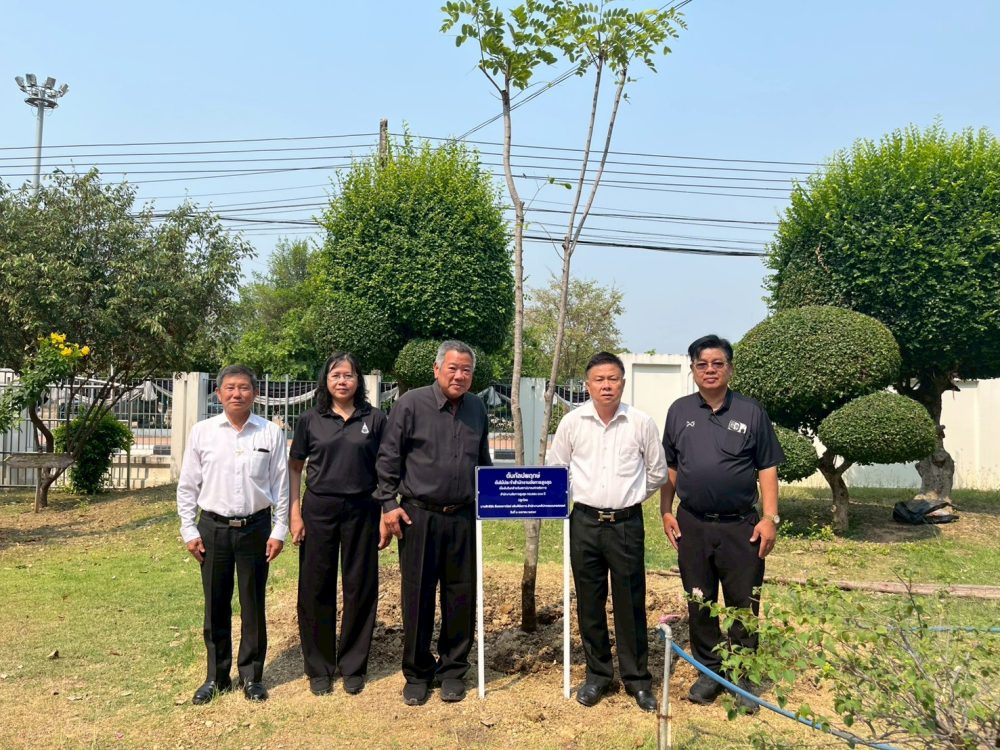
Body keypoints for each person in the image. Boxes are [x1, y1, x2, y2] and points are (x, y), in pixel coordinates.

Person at [659, 335, 784, 713]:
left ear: (730, 368)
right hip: (693, 525)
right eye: (702, 364)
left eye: (717, 363)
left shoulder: (751, 412)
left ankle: (743, 676)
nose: (710, 370)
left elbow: (767, 467)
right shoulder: (679, 411)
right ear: (693, 369)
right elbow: (671, 467)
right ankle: (709, 672)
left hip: (741, 526)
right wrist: (666, 510)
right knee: (699, 600)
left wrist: (770, 518)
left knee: (744, 602)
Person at [547, 351, 668, 712]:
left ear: (623, 383)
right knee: (589, 601)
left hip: (626, 524)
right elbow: (557, 468)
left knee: (630, 601)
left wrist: (630, 497)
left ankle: (637, 680)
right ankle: (598, 675)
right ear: (587, 385)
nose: (606, 386)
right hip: (584, 522)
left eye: (613, 379)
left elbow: (657, 473)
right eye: (599, 380)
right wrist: (582, 499)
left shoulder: (640, 423)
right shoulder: (572, 422)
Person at [376, 340, 491, 706]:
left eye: (466, 370)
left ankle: (453, 669)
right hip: (418, 517)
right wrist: (388, 505)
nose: (459, 376)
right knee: (418, 596)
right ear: (437, 369)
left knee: (461, 594)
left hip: (463, 517)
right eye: (453, 368)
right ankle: (417, 671)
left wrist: (495, 500)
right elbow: (388, 457)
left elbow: (483, 461)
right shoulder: (411, 404)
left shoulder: (477, 408)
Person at [177, 365, 289, 704]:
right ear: (218, 394)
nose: (236, 393)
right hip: (213, 529)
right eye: (230, 388)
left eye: (243, 387)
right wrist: (189, 529)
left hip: (256, 529)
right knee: (215, 604)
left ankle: (252, 676)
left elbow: (281, 485)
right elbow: (188, 484)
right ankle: (217, 676)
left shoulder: (270, 433)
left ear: (255, 393)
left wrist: (279, 529)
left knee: (253, 603)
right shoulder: (203, 432)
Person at [288, 352, 386, 697]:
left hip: (363, 508)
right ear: (325, 381)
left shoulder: (374, 419)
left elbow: (385, 468)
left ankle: (353, 665)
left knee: (360, 585)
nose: (342, 381)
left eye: (348, 375)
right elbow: (295, 468)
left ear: (358, 380)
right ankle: (319, 667)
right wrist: (295, 513)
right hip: (319, 508)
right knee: (316, 586)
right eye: (336, 375)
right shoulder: (310, 419)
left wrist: (385, 514)